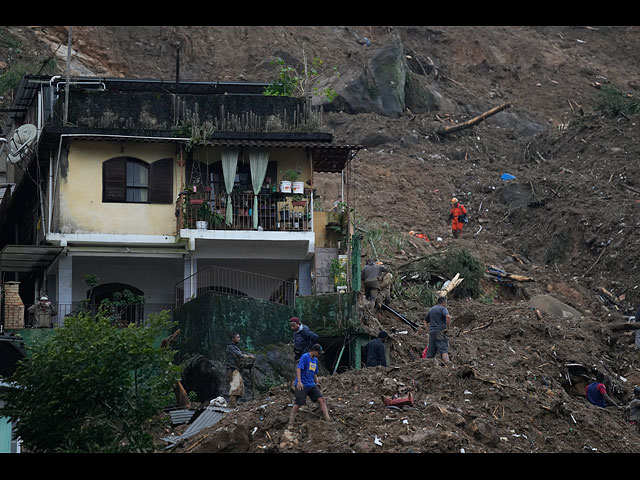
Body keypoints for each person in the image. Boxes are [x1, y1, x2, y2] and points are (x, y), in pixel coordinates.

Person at [288, 343, 331, 425]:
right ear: (314, 351)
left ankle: (328, 420)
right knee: (298, 404)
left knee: (322, 400)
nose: (319, 354)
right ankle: (290, 423)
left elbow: (314, 372)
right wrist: (299, 382)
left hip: (311, 384)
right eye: (319, 352)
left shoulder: (315, 360)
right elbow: (299, 369)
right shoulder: (305, 357)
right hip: (303, 384)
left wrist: (317, 382)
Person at [224, 332, 255, 408]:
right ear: (233, 339)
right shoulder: (231, 347)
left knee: (240, 388)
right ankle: (232, 405)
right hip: (232, 370)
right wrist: (249, 357)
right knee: (236, 387)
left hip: (235, 369)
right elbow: (239, 355)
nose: (239, 339)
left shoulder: (235, 347)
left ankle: (232, 404)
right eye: (237, 337)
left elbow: (239, 358)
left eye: (239, 337)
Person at [423, 296, 452, 365]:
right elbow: (448, 317)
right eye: (446, 303)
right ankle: (449, 365)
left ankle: (426, 367)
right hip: (440, 332)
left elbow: (425, 321)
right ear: (444, 303)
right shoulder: (443, 308)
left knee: (430, 354)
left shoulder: (432, 309)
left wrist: (428, 330)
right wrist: (447, 328)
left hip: (432, 333)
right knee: (444, 350)